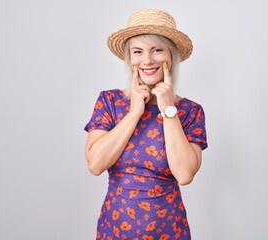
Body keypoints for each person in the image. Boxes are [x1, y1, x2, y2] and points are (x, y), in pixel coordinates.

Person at [84, 9, 208, 240]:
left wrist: (168, 110)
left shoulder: (190, 111)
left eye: (157, 50)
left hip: (169, 231)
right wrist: (134, 113)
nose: (147, 60)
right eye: (138, 52)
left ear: (171, 56)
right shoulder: (109, 102)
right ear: (130, 59)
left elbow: (184, 175)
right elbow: (95, 165)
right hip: (114, 230)